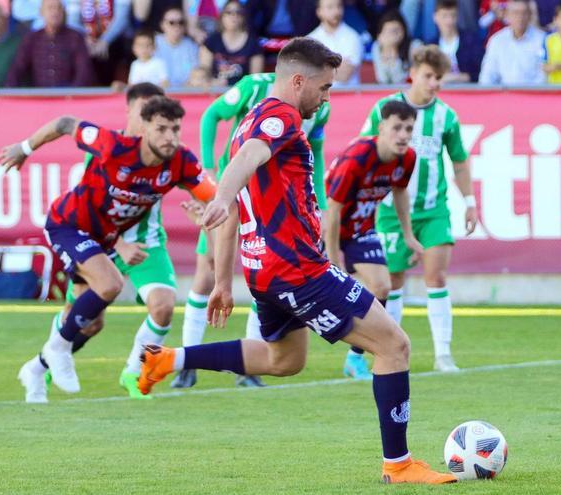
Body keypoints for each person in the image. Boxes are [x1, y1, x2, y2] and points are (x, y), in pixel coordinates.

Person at [137, 37, 456, 485]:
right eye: (324, 88)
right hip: (298, 268)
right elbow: (244, 168)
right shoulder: (279, 116)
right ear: (299, 80)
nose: (326, 98)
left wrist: (225, 281)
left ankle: (169, 360)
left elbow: (239, 197)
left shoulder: (248, 121)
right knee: (394, 345)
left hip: (262, 268)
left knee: (283, 360)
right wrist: (222, 198)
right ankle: (399, 465)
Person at [0, 96, 216, 395]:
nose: (170, 138)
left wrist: (209, 212)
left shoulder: (181, 162)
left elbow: (215, 197)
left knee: (93, 323)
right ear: (145, 128)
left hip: (105, 238)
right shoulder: (112, 146)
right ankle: (57, 349)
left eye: (175, 129)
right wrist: (24, 149)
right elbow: (63, 123)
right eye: (162, 129)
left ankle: (36, 368)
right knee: (109, 284)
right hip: (68, 224)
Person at [173, 70, 332, 388]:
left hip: (275, 204)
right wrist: (207, 167)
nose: (324, 91)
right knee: (208, 272)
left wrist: (322, 206)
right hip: (233, 193)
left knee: (264, 270)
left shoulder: (320, 104)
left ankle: (247, 369)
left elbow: (315, 154)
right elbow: (211, 115)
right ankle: (186, 361)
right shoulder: (255, 86)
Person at [361, 45, 478, 373]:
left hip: (432, 209)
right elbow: (364, 151)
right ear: (414, 72)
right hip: (389, 210)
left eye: (439, 78)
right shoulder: (385, 108)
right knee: (392, 281)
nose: (434, 83)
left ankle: (443, 354)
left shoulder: (446, 116)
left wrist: (470, 203)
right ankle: (390, 349)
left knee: (436, 275)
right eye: (429, 76)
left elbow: (459, 162)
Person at [324, 101, 423, 380]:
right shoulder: (357, 158)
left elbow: (400, 193)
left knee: (382, 286)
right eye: (397, 128)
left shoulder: (407, 158)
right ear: (381, 128)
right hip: (322, 227)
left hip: (360, 229)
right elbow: (332, 211)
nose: (403, 135)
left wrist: (408, 235)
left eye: (409, 129)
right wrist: (334, 264)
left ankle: (355, 359)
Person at [5, 0, 95, 88]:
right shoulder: (32, 39)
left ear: (64, 13)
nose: (55, 12)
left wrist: (72, 95)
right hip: (40, 98)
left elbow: (84, 72)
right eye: (50, 8)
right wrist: (10, 92)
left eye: (58, 8)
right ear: (41, 12)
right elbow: (17, 67)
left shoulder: (75, 38)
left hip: (68, 97)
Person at [479, 0, 547, 84]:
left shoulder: (542, 39)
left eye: (524, 13)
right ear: (507, 15)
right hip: (504, 94)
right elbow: (487, 75)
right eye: (516, 13)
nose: (520, 17)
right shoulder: (497, 40)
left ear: (530, 15)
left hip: (534, 94)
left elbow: (544, 75)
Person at [199, 0, 264, 87]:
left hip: (243, 94)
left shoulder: (253, 44)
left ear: (243, 17)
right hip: (215, 93)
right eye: (229, 12)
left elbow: (256, 79)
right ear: (222, 16)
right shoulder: (211, 41)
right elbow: (203, 75)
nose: (234, 16)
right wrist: (214, 82)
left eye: (238, 12)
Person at [307, 0, 363, 86]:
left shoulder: (353, 37)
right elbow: (309, 75)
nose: (336, 11)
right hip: (319, 98)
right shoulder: (310, 40)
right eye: (330, 7)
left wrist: (319, 68)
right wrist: (336, 66)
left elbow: (345, 75)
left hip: (349, 96)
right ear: (319, 12)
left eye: (339, 6)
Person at [426, 0, 485, 83]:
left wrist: (452, 78)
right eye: (444, 16)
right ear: (435, 17)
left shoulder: (471, 41)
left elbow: (481, 72)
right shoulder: (430, 46)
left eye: (453, 15)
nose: (449, 21)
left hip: (467, 92)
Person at [154, 7, 200, 87]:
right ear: (162, 25)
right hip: (157, 93)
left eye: (181, 22)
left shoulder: (192, 46)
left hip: (185, 93)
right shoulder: (152, 43)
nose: (177, 25)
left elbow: (196, 73)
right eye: (171, 22)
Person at [371, 11, 419, 84]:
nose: (392, 35)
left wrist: (393, 50)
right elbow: (382, 80)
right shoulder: (377, 47)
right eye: (389, 31)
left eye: (396, 31)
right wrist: (386, 50)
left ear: (404, 31)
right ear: (380, 35)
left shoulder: (415, 46)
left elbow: (401, 81)